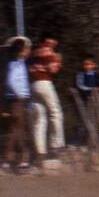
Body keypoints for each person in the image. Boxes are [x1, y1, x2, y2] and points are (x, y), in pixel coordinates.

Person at [28, 33, 64, 163]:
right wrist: (58, 61)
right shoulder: (48, 51)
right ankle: (56, 144)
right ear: (47, 40)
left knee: (39, 119)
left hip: (33, 84)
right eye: (52, 41)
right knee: (56, 112)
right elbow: (52, 69)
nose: (53, 43)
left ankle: (40, 151)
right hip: (44, 82)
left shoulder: (34, 52)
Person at [3, 37, 34, 171]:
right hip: (17, 100)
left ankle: (12, 159)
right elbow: (11, 81)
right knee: (18, 129)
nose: (28, 51)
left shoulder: (20, 63)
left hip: (20, 99)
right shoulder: (15, 64)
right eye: (25, 49)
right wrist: (19, 95)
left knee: (16, 129)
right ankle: (17, 159)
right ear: (20, 51)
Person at [70, 53, 99, 148]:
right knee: (83, 121)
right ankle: (79, 141)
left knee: (95, 120)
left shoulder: (95, 74)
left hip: (93, 100)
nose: (87, 66)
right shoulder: (80, 74)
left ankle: (94, 142)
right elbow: (79, 85)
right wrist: (90, 89)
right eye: (85, 64)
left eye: (89, 64)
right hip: (82, 100)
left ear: (94, 65)